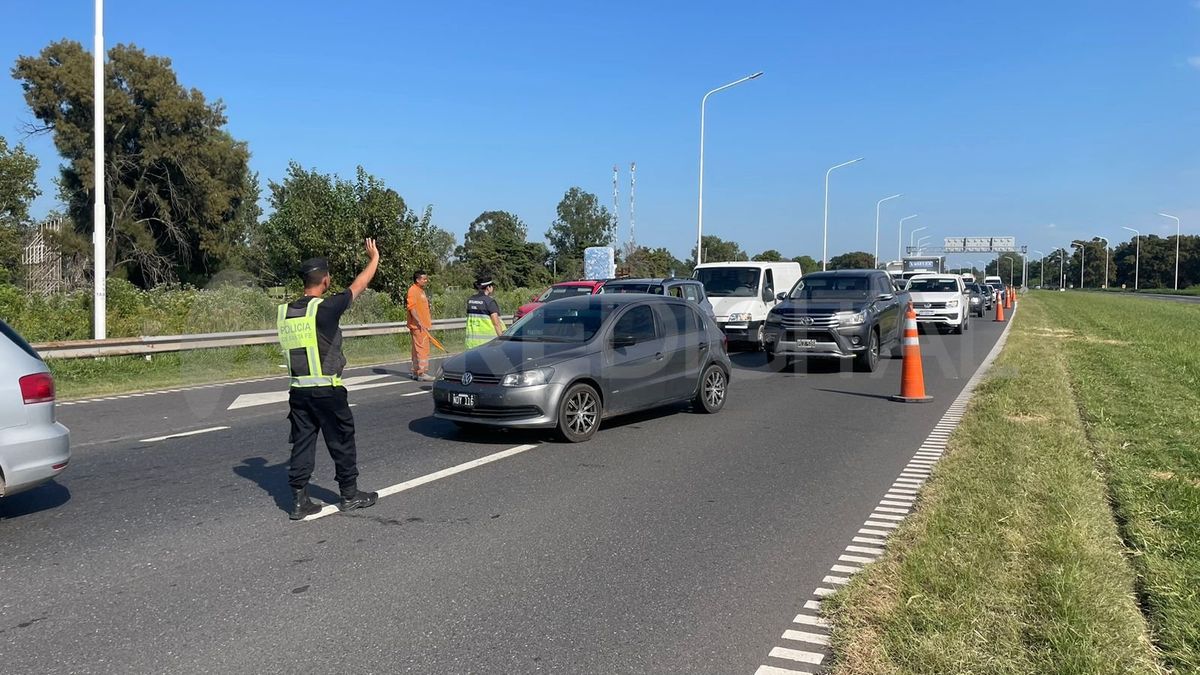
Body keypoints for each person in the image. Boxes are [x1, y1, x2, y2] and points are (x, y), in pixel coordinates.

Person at [276, 239, 381, 520]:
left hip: (298, 391)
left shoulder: (285, 312)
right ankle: (349, 495)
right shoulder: (325, 308)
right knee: (341, 441)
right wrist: (373, 259)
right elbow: (359, 285)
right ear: (325, 280)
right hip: (327, 390)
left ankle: (299, 501)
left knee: (302, 444)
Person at [406, 270, 435, 381]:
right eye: (424, 279)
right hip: (419, 326)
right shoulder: (413, 290)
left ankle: (416, 371)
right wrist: (419, 322)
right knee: (422, 349)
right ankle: (422, 373)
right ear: (417, 280)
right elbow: (411, 308)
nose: (426, 281)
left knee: (417, 349)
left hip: (422, 325)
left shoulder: (420, 291)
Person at [465, 278, 505, 349]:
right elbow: (496, 324)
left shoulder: (470, 300)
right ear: (488, 287)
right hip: (487, 344)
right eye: (492, 286)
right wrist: (502, 340)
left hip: (470, 343)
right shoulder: (489, 302)